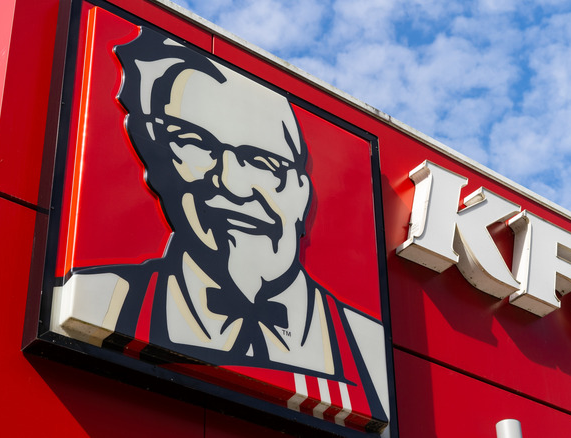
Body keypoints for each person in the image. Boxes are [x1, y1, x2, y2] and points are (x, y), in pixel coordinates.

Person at [52, 26, 389, 431]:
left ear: (302, 193)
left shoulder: (369, 352)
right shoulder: (95, 301)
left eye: (264, 162)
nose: (231, 183)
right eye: (196, 145)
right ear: (160, 168)